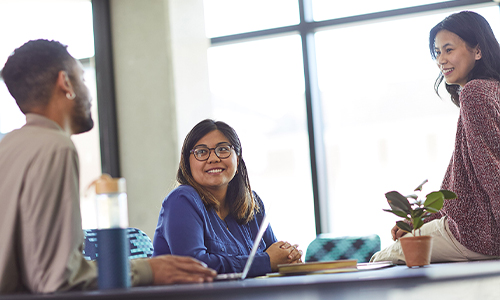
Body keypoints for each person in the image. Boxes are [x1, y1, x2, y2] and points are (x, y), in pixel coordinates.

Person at [0, 39, 216, 294]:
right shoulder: (56, 146)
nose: (88, 93)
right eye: (82, 78)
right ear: (65, 83)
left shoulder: (9, 146)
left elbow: (33, 267)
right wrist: (149, 270)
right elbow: (56, 278)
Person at [371, 11, 500, 264]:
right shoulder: (492, 90)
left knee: (379, 260)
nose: (441, 59)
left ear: (477, 50)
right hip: (481, 229)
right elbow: (467, 184)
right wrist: (423, 220)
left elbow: (492, 171)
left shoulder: (474, 94)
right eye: (437, 52)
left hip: (480, 235)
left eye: (448, 49)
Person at [152, 119, 303, 277]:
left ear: (237, 160)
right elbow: (195, 267)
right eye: (202, 152)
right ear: (187, 164)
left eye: (223, 149)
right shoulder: (181, 200)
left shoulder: (252, 203)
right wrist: (265, 262)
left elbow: (276, 256)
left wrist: (289, 257)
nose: (213, 158)